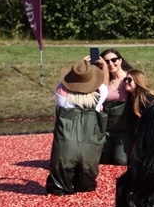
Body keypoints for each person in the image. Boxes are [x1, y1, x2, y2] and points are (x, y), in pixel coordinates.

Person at [46, 56, 111, 196]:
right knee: (86, 179)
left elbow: (63, 83)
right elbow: (105, 83)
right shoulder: (101, 93)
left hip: (66, 143)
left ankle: (61, 189)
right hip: (90, 143)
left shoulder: (61, 94)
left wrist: (79, 68)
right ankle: (84, 186)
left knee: (59, 181)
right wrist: (104, 67)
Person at [98, 49, 135, 166]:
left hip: (124, 130)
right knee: (103, 161)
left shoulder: (130, 78)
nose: (110, 64)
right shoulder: (102, 80)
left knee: (121, 162)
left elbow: (142, 94)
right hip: (105, 129)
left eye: (114, 60)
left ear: (120, 60)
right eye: (106, 61)